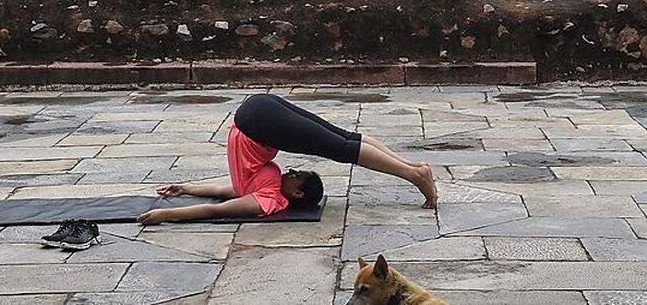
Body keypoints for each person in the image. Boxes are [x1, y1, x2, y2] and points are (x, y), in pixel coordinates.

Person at [137, 94, 436, 225]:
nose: (290, 171)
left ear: (296, 192)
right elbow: (225, 196)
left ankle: (414, 172)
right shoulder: (269, 194)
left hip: (259, 118)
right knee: (342, 141)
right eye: (295, 173)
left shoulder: (264, 197)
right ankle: (413, 170)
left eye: (295, 175)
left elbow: (221, 204)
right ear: (295, 196)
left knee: (343, 144)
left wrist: (173, 208)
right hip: (260, 118)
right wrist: (184, 193)